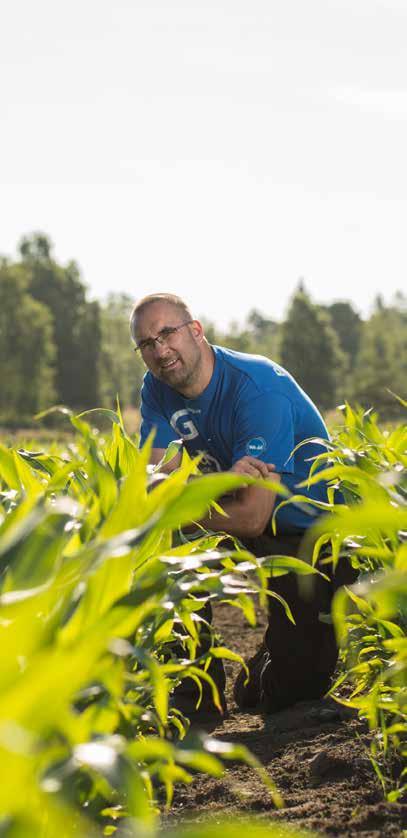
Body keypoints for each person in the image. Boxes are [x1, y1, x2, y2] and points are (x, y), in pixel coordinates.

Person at [130, 293, 356, 715]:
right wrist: (224, 480)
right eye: (146, 344)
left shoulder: (258, 389)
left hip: (304, 530)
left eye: (167, 333)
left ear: (196, 331)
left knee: (290, 691)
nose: (160, 351)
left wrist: (185, 497)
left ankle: (270, 663)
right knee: (159, 545)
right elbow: (157, 484)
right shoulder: (156, 388)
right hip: (231, 508)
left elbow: (254, 517)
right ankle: (195, 686)